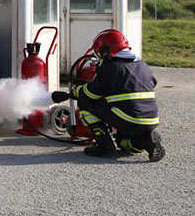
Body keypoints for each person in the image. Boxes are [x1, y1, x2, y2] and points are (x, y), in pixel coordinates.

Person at [52, 29, 165, 161]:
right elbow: (151, 83)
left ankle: (104, 146)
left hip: (129, 118)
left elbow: (91, 93)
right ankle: (147, 141)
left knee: (85, 102)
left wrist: (72, 93)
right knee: (125, 145)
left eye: (99, 52)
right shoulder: (142, 65)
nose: (98, 56)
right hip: (150, 119)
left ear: (105, 50)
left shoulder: (110, 68)